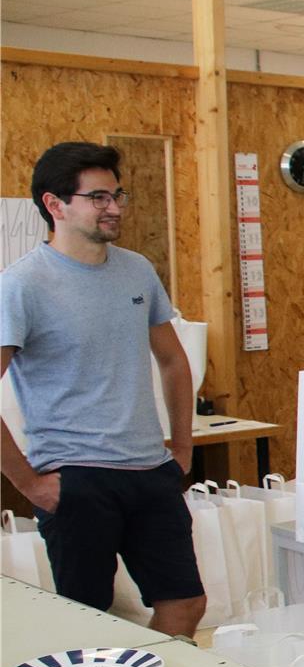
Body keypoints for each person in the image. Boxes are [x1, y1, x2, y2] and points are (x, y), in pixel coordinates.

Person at [0, 142, 205, 635]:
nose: (114, 207)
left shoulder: (137, 270)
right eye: (98, 198)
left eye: (117, 195)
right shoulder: (22, 284)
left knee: (186, 605)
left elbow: (173, 360)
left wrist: (182, 447)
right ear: (55, 205)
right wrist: (30, 485)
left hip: (150, 470)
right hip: (76, 478)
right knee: (91, 623)